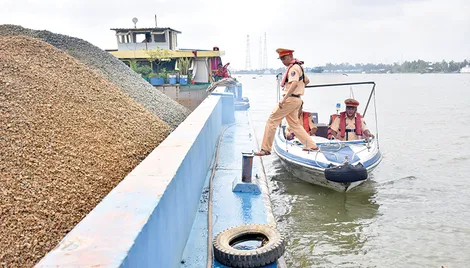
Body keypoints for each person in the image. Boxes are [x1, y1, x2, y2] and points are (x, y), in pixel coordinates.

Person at [254, 48, 318, 156]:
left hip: (290, 99)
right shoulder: (299, 67)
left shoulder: (293, 69)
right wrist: (300, 89)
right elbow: (306, 81)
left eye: (284, 58)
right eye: (281, 59)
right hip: (297, 99)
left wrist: (284, 99)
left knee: (272, 120)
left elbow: (293, 84)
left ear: (290, 56)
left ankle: (265, 149)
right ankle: (312, 146)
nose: (282, 61)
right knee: (294, 125)